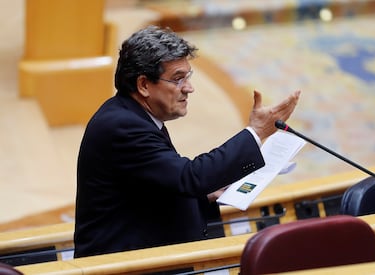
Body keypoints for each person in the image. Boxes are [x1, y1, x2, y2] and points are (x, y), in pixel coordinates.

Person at [74, 25, 301, 258]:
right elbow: (190, 177)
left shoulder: (132, 116)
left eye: (188, 77)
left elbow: (158, 187)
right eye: (178, 79)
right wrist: (256, 132)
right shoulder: (122, 127)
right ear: (143, 85)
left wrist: (206, 196)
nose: (189, 88)